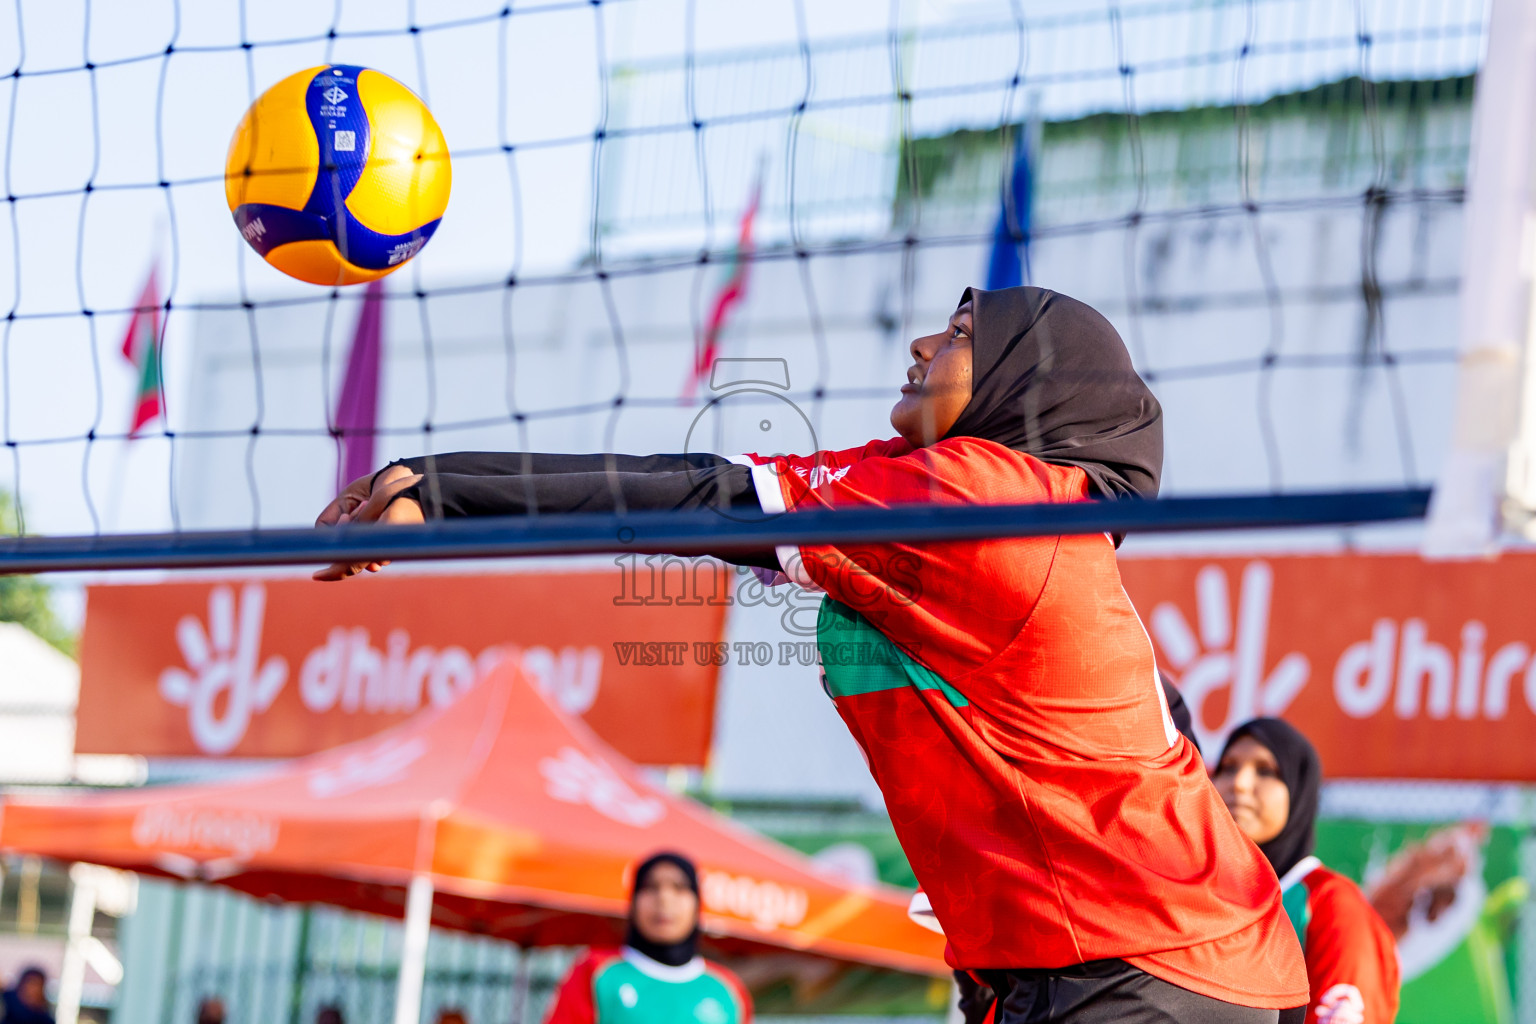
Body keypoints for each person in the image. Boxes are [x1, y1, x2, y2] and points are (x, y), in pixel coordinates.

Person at [315, 285, 1307, 1022]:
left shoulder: (984, 500)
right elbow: (711, 490)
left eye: (963, 334)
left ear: (1023, 385)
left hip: (1150, 963)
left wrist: (443, 489)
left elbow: (704, 501)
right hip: (1104, 959)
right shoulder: (953, 493)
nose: (924, 339)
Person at [1212, 719, 1400, 1024]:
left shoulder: (1331, 903)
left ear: (1299, 789)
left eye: (1265, 771)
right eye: (1228, 768)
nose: (1239, 783)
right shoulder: (1204, 897)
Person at [542, 852, 751, 1023]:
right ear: (632, 902)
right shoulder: (596, 971)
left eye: (679, 888)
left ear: (697, 904)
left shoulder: (727, 989)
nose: (664, 899)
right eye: (650, 887)